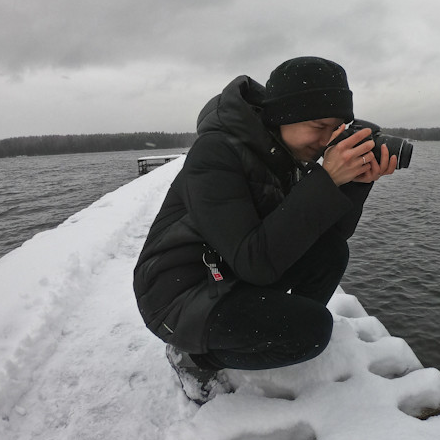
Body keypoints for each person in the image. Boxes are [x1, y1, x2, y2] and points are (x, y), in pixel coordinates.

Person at [133, 56, 397, 403]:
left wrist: (355, 183)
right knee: (311, 332)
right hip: (177, 292)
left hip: (226, 270)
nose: (326, 140)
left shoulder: (284, 155)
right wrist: (326, 179)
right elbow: (254, 261)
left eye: (334, 129)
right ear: (281, 117)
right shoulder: (216, 153)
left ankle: (267, 329)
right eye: (319, 126)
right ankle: (194, 356)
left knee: (330, 253)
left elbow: (330, 237)